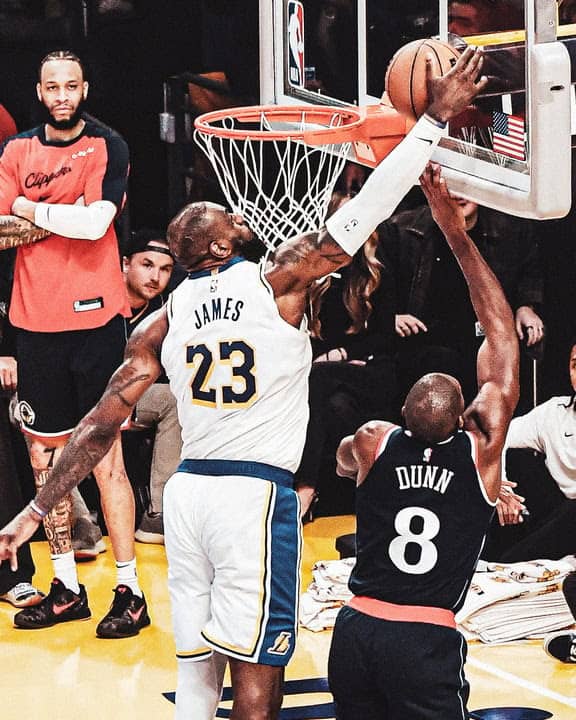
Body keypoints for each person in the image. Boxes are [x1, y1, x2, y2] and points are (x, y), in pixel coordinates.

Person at [0, 47, 488, 719]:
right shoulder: (276, 280)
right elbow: (369, 210)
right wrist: (430, 122)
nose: (239, 214)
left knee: (198, 675)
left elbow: (96, 427)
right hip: (250, 499)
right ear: (222, 247)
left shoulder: (161, 323)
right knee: (257, 690)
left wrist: (32, 512)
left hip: (188, 500)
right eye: (226, 217)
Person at [328, 162, 519, 720]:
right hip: (423, 637)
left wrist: (353, 464)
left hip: (356, 629)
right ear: (463, 418)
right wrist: (454, 232)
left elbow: (342, 460)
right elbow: (501, 334)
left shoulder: (374, 441)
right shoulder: (479, 450)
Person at [0, 50, 149, 639]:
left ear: (84, 89)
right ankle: (65, 586)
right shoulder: (16, 150)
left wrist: (26, 207)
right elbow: (1, 230)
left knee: (105, 459)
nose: (61, 95)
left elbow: (95, 225)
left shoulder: (107, 145)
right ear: (39, 93)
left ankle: (130, 591)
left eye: (71, 85)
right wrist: (62, 212)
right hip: (34, 325)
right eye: (52, 86)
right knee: (45, 460)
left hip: (94, 324)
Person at [379, 195, 544, 409]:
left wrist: (526, 306)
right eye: (451, 187)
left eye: (466, 187)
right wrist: (390, 316)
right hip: (423, 342)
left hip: (479, 339)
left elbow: (528, 269)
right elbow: (375, 288)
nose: (458, 195)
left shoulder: (509, 229)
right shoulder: (402, 229)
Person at [295, 196, 396, 520]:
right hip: (329, 374)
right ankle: (326, 490)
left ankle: (306, 487)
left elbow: (385, 337)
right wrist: (330, 359)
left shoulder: (375, 271)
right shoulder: (314, 276)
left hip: (372, 368)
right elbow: (309, 337)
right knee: (335, 404)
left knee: (318, 377)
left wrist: (344, 354)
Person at [483, 338, 576, 562]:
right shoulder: (554, 411)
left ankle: (505, 564)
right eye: (575, 365)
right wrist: (500, 487)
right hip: (558, 514)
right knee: (519, 462)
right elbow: (498, 438)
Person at [121, 228, 181, 544]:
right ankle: (78, 523)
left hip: (134, 399)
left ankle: (158, 515)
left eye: (165, 269)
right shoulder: (100, 299)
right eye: (147, 265)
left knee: (176, 398)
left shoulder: (168, 312)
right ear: (125, 264)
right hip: (87, 399)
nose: (156, 277)